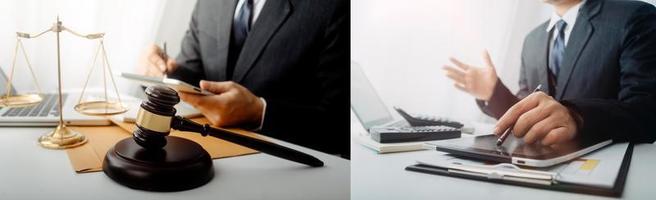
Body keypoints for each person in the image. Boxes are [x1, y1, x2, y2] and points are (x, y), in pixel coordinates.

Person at [138, 0, 350, 157]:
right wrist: (162, 72)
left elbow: (338, 126)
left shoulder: (334, 7)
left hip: (280, 164)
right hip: (206, 153)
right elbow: (195, 78)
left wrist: (260, 113)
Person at [443, 0, 656, 145]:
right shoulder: (532, 40)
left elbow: (646, 111)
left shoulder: (635, 16)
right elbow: (529, 115)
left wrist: (576, 116)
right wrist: (493, 92)